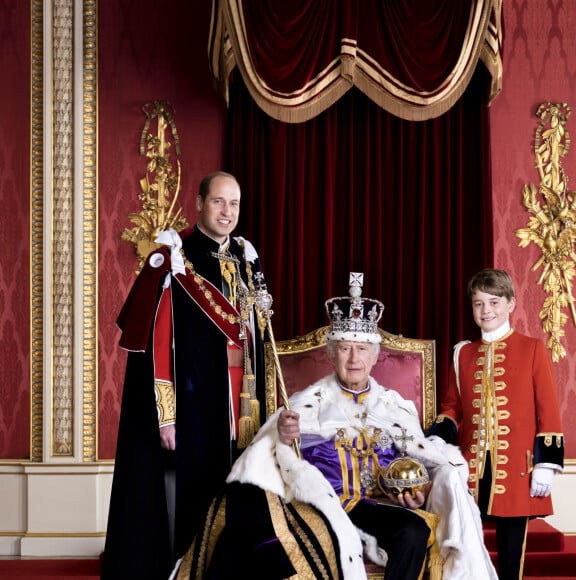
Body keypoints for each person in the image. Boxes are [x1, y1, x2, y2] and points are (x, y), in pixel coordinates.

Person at [172, 273, 498, 580]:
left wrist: (419, 491)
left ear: (374, 357)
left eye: (361, 350)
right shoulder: (308, 401)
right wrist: (284, 436)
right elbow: (277, 453)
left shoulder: (395, 406)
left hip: (373, 506)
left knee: (414, 531)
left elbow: (419, 459)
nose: (353, 358)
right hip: (324, 505)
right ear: (332, 354)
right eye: (344, 348)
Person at [101, 171, 270, 580]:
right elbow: (159, 344)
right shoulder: (175, 255)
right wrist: (167, 414)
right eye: (218, 202)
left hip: (243, 399)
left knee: (243, 495)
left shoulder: (247, 258)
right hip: (195, 401)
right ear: (198, 203)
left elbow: (258, 341)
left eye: (234, 204)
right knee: (199, 500)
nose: (227, 212)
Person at [427, 268, 565, 580]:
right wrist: (439, 435)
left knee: (511, 552)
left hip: (517, 468)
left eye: (494, 302)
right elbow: (452, 406)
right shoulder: (464, 353)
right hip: (472, 469)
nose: (486, 310)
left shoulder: (532, 348)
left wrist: (547, 464)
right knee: (466, 550)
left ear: (511, 304)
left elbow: (548, 409)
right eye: (478, 304)